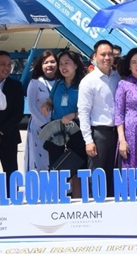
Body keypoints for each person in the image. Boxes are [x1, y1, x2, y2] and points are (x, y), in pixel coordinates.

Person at [78, 40, 121, 197]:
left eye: (110, 54)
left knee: (113, 175)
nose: (107, 57)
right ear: (95, 56)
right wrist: (88, 140)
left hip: (116, 133)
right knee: (97, 176)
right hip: (98, 134)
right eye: (103, 54)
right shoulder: (88, 81)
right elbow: (83, 112)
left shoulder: (117, 77)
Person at [40, 50, 88, 182]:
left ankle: (78, 199)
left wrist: (73, 115)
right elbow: (50, 101)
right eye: (61, 64)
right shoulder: (58, 84)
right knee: (57, 168)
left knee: (77, 168)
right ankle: (59, 199)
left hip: (76, 129)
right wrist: (46, 104)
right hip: (56, 130)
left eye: (67, 63)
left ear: (76, 65)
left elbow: (91, 109)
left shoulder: (83, 84)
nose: (63, 67)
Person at [0, 51, 24, 180]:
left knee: (11, 172)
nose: (7, 68)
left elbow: (18, 113)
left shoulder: (16, 86)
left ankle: (13, 198)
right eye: (2, 64)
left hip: (8, 136)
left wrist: (1, 130)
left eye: (9, 64)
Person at [25, 52, 58, 172]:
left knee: (56, 158)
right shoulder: (35, 83)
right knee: (40, 158)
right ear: (41, 65)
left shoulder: (61, 82)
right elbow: (31, 107)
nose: (49, 65)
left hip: (58, 126)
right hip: (40, 126)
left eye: (52, 62)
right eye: (46, 62)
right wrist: (45, 126)